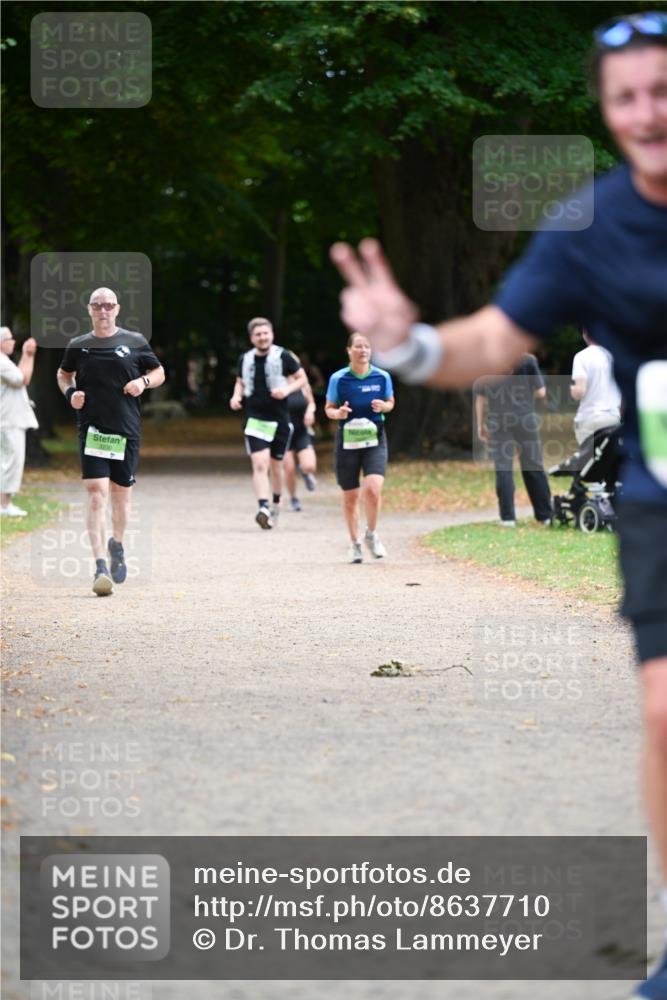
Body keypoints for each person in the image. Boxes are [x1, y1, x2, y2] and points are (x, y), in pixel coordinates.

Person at [330, 14, 667, 997]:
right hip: (660, 502)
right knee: (663, 709)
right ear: (604, 111)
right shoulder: (590, 224)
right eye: (626, 97)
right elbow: (489, 340)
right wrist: (407, 343)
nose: (648, 112)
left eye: (662, 90)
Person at [56, 287, 165, 596]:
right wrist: (70, 393)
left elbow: (159, 372)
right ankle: (100, 566)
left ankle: (116, 543)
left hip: (126, 431)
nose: (103, 310)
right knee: (96, 493)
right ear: (89, 309)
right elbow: (63, 374)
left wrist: (143, 381)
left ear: (117, 308)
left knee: (121, 497)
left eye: (108, 305)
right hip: (92, 430)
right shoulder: (78, 345)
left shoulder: (135, 341)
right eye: (97, 305)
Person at [229, 318, 307, 529]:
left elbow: (302, 378)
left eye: (265, 333)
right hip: (255, 418)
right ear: (251, 338)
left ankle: (275, 503)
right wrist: (236, 396)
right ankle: (263, 507)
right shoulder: (245, 359)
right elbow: (240, 381)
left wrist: (286, 390)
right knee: (260, 463)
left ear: (272, 335)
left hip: (280, 418)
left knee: (276, 466)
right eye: (258, 334)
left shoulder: (284, 356)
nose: (262, 337)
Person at [325, 332, 395, 563]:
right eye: (358, 346)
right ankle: (354, 543)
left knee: (373, 489)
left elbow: (391, 402)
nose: (363, 350)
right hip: (347, 441)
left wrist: (384, 406)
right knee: (351, 496)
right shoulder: (339, 379)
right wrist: (338, 413)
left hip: (375, 438)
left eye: (367, 346)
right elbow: (328, 408)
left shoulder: (382, 376)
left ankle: (371, 535)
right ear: (349, 350)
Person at [475, 354, 553, 526]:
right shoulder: (528, 360)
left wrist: (480, 425)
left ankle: (508, 518)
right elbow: (541, 392)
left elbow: (481, 398)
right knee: (533, 465)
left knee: (503, 467)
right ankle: (545, 515)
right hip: (525, 419)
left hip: (499, 421)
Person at [1, 327, 38, 517]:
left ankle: (5, 504)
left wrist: (25, 355)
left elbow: (20, 376)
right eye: (9, 339)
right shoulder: (1, 362)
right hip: (9, 420)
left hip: (8, 419)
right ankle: (4, 505)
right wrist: (28, 355)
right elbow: (23, 379)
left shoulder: (5, 361)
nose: (13, 341)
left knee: (7, 461)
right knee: (11, 462)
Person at [571, 329, 623, 444]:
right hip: (612, 417)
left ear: (585, 335)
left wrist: (571, 390)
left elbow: (579, 391)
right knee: (609, 454)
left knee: (588, 454)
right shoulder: (615, 356)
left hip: (589, 417)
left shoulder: (581, 357)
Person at [283, 367, 318, 511]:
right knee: (289, 469)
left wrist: (310, 412)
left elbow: (311, 403)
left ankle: (304, 472)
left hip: (301, 431)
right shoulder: (276, 384)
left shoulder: (303, 384)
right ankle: (293, 498)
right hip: (283, 433)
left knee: (310, 466)